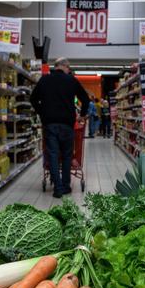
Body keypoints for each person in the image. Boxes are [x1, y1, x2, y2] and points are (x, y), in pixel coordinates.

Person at [30, 57, 90, 198]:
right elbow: (85, 99)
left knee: (53, 155)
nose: (69, 70)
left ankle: (57, 188)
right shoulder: (71, 80)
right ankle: (66, 186)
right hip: (67, 124)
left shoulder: (44, 80)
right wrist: (81, 115)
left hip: (50, 124)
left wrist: (42, 112)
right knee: (67, 155)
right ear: (65, 66)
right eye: (69, 68)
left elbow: (33, 99)